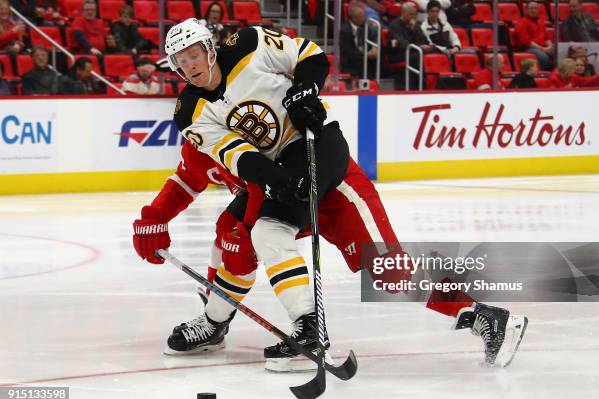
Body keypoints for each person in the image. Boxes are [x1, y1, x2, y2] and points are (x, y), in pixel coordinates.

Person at [132, 18, 528, 371]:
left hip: (329, 170)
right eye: (179, 61)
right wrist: (156, 216)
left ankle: (483, 316)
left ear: (210, 48)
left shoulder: (250, 45)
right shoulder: (191, 114)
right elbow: (235, 161)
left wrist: (304, 90)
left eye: (193, 54)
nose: (190, 65)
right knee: (243, 235)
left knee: (390, 275)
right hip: (282, 179)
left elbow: (309, 56)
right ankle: (280, 327)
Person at [387, 2, 433, 89]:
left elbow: (424, 40)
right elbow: (402, 44)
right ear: (403, 13)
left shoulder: (415, 24)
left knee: (430, 53)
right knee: (418, 56)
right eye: (411, 14)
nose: (413, 17)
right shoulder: (395, 25)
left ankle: (431, 83)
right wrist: (419, 47)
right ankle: (421, 86)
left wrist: (415, 29)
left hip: (412, 52)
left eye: (415, 14)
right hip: (397, 54)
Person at [340, 4, 379, 78]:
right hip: (351, 63)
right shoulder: (344, 31)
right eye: (362, 17)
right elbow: (347, 51)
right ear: (354, 18)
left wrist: (374, 47)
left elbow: (375, 35)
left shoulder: (366, 27)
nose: (365, 18)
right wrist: (365, 54)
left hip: (365, 62)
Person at [514, 0, 554, 70]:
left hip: (542, 47)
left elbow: (546, 38)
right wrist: (543, 49)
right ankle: (542, 75)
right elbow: (526, 42)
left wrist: (550, 46)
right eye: (531, 8)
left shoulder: (540, 22)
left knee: (559, 53)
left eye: (535, 8)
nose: (533, 10)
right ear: (526, 10)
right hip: (528, 48)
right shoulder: (521, 22)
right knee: (543, 57)